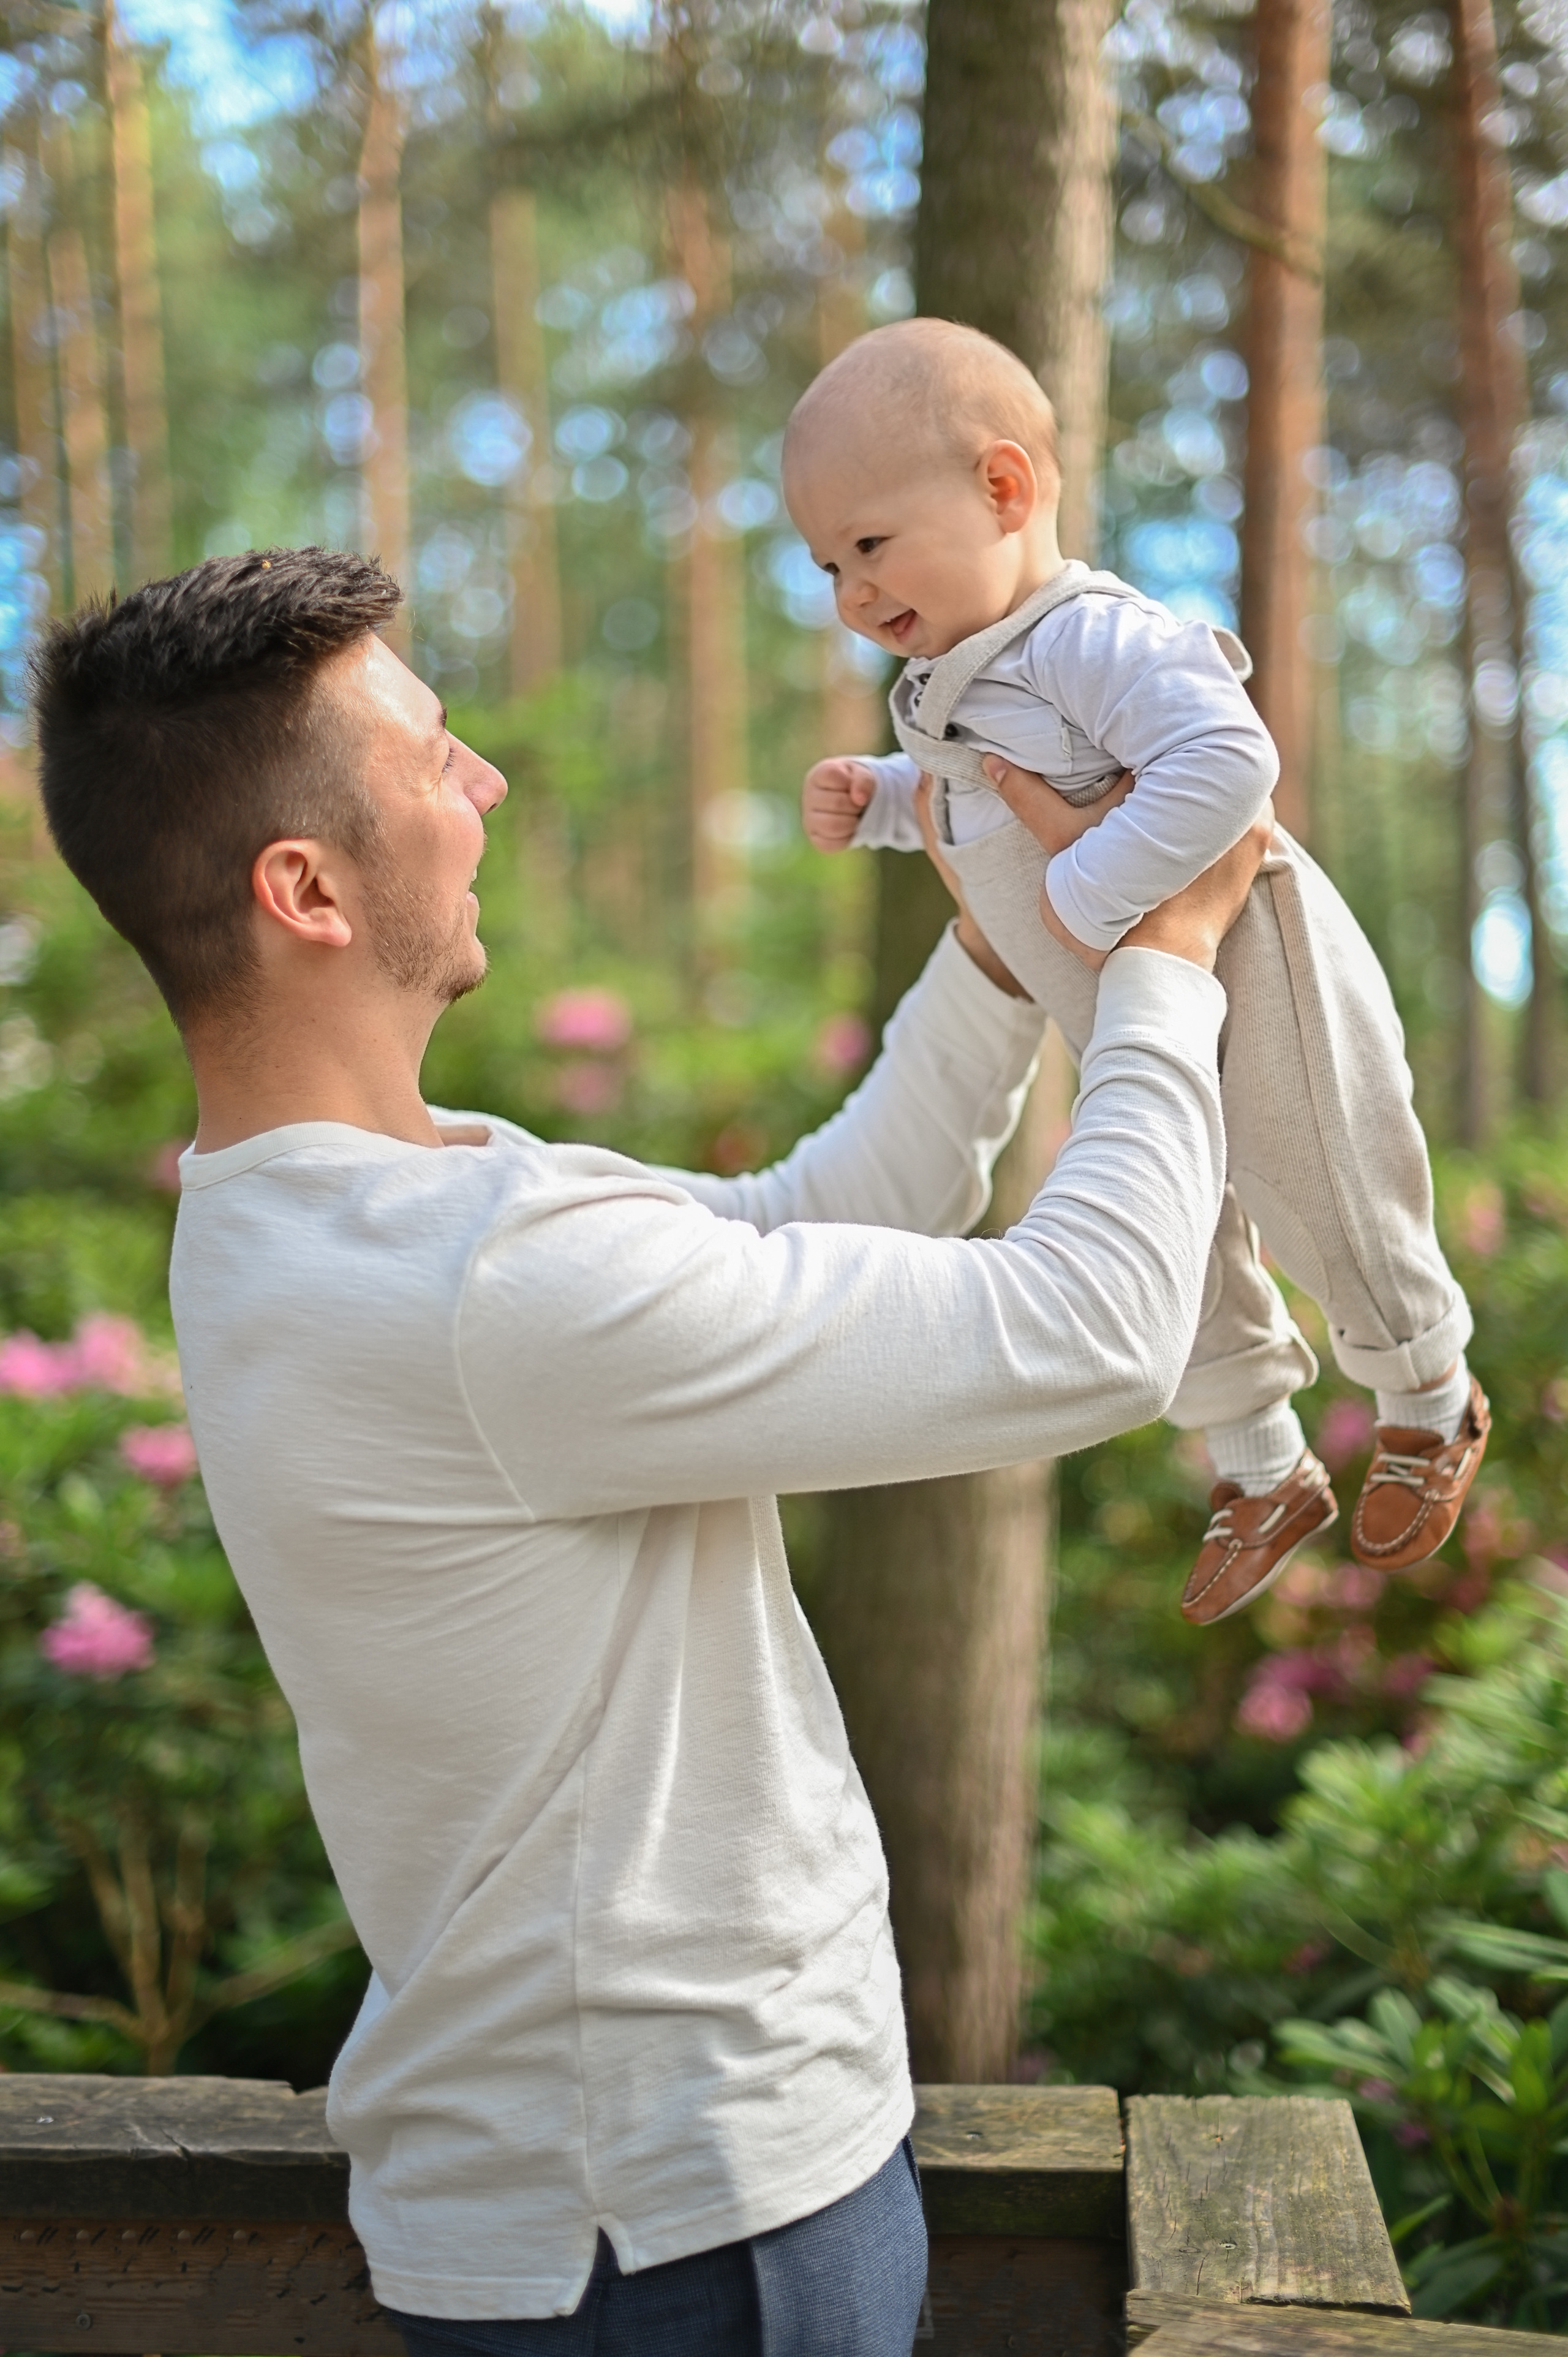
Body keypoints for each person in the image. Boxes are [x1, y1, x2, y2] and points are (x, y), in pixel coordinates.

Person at [31, 547, 1267, 2357]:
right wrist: (1164, 963)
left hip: (601, 2200)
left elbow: (818, 1214)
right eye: (432, 756)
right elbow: (1091, 1331)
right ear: (304, 888)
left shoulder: (331, 1211)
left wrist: (1001, 948)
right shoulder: (479, 1279)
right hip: (685, 2227)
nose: (484, 784)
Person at [785, 316, 1488, 1626]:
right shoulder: (948, 681)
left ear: (1004, 487)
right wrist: (880, 800)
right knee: (1168, 1223)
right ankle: (1260, 1466)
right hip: (1120, 1002)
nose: (851, 594)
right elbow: (980, 799)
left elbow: (1228, 761)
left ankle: (1426, 1394)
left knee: (1321, 1177)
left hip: (1250, 962)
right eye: (828, 565)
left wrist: (1084, 891)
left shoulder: (1087, 636)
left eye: (869, 545)